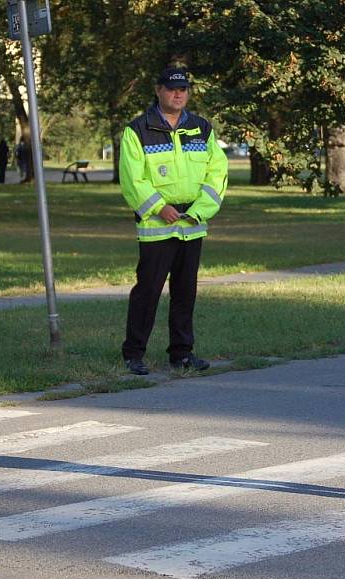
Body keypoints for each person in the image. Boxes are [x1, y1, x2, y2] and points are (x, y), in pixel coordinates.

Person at [119, 66, 228, 375]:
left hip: (191, 227)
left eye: (183, 89)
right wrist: (158, 207)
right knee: (148, 292)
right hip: (156, 229)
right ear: (158, 90)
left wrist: (199, 211)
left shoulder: (201, 128)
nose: (178, 94)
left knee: (185, 292)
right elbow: (131, 179)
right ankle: (134, 353)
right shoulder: (138, 130)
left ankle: (181, 353)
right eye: (171, 88)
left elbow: (217, 174)